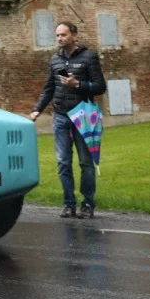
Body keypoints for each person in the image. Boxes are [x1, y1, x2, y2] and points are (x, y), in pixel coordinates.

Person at [30, 20, 108, 219]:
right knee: (63, 162)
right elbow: (49, 87)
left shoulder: (89, 57)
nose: (59, 38)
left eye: (63, 35)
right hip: (61, 116)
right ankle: (68, 204)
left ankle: (88, 204)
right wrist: (37, 110)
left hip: (82, 115)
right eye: (57, 35)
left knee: (85, 163)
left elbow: (100, 87)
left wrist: (77, 84)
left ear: (74, 35)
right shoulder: (55, 60)